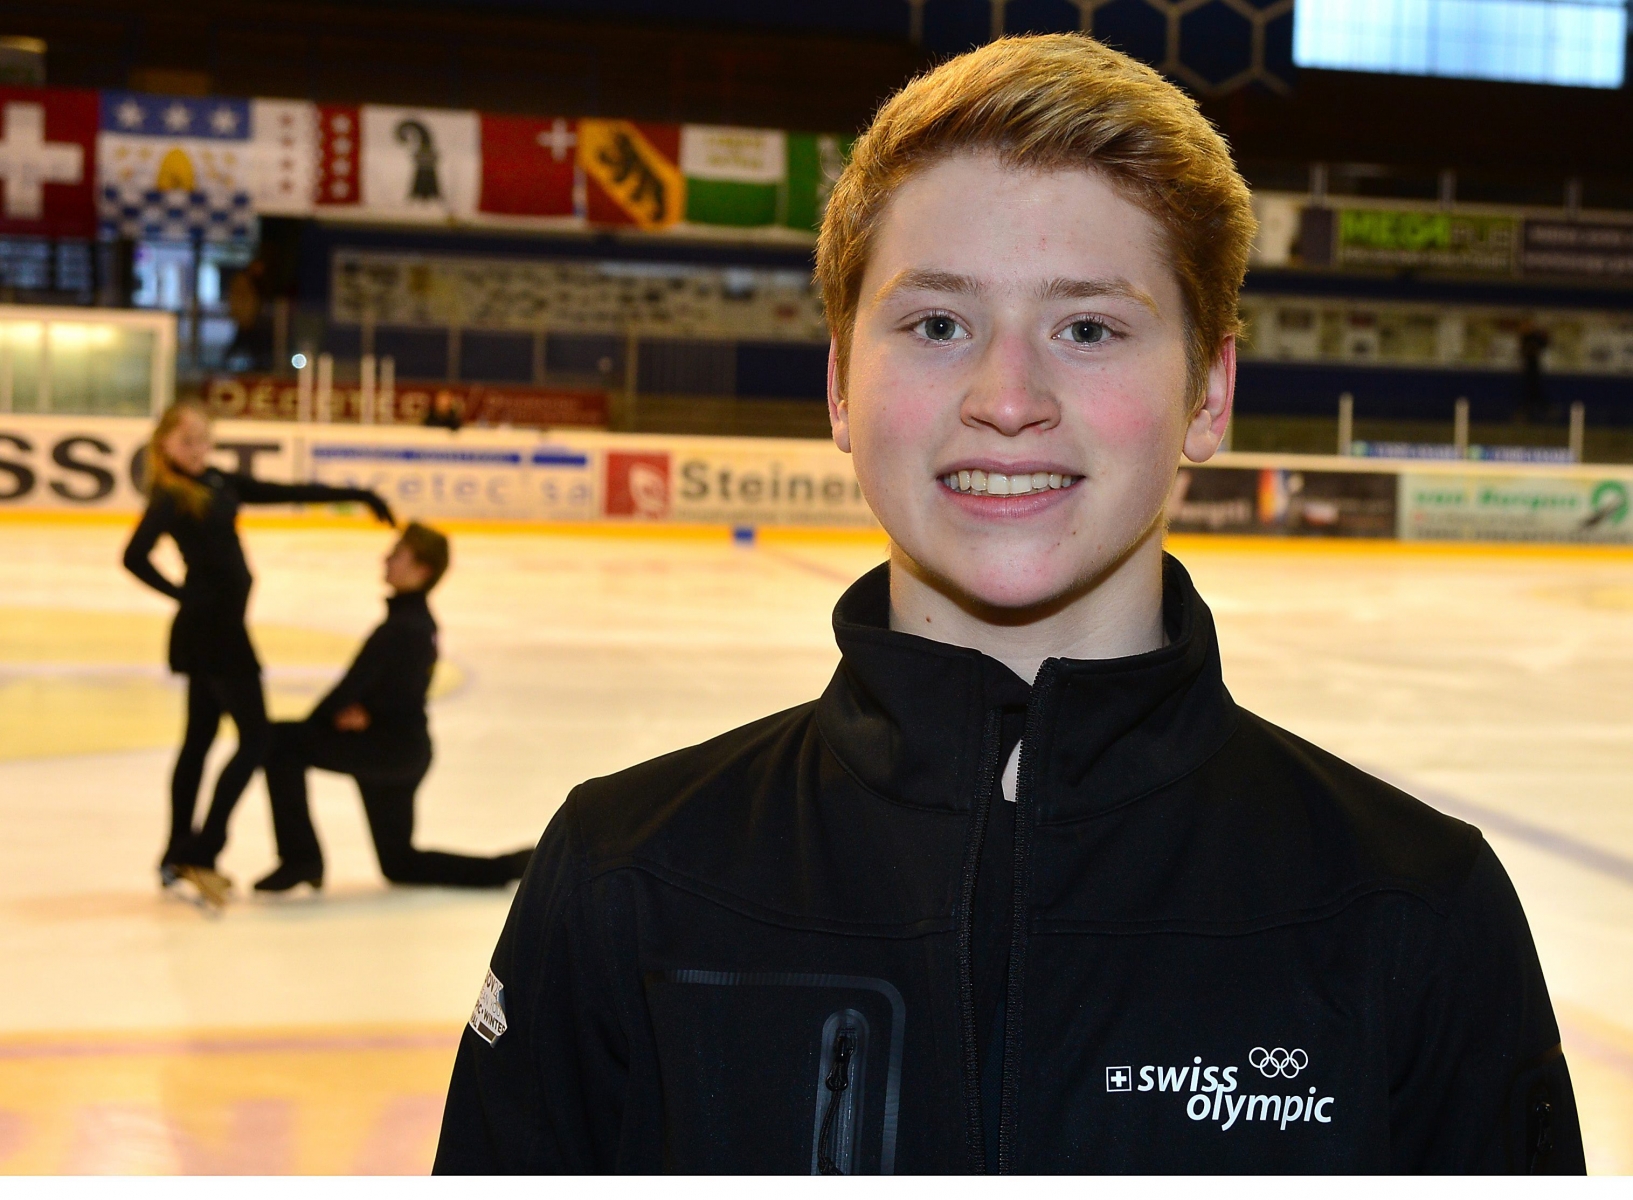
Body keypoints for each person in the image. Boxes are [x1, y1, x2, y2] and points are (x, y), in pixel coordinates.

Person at [435, 35, 1582, 1174]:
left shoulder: (1416, 911)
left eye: (1087, 328)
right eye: (938, 324)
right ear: (839, 383)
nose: (1007, 398)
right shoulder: (625, 876)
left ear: (1208, 393)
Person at [123, 401, 395, 905]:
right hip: (215, 635)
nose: (199, 449)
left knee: (199, 742)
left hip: (217, 632)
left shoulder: (219, 483)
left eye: (205, 439)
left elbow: (289, 492)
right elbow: (133, 556)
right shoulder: (171, 495)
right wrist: (184, 595)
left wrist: (356, 493)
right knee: (255, 738)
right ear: (163, 444)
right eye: (188, 441)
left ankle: (175, 852)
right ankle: (201, 851)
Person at [255, 522, 533, 893]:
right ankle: (511, 866)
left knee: (278, 742)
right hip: (398, 751)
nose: (386, 558)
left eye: (398, 554)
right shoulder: (413, 623)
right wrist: (361, 713)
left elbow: (352, 690)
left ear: (422, 571)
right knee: (400, 864)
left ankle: (301, 859)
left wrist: (322, 727)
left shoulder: (405, 628)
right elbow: (385, 689)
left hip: (388, 753)